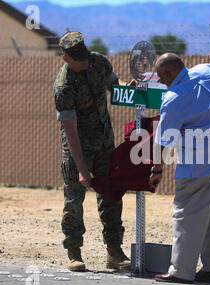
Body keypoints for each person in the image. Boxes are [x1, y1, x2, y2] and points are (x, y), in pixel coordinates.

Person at [150, 53, 210, 284]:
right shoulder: (208, 71)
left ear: (167, 74)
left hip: (201, 164)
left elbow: (163, 140)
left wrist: (157, 170)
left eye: (161, 76)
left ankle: (181, 271)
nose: (161, 81)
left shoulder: (173, 99)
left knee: (187, 215)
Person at [54, 31, 131, 272]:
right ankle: (74, 252)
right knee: (74, 201)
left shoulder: (98, 61)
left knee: (111, 195)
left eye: (85, 55)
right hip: (79, 149)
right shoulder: (63, 88)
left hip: (105, 144)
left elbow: (114, 85)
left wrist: (126, 88)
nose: (85, 61)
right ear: (66, 59)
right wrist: (81, 168)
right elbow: (70, 131)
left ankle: (114, 252)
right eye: (79, 59)